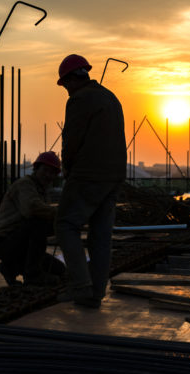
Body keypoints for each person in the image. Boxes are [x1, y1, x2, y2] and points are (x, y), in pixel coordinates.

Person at [54, 54, 126, 308]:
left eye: (65, 85)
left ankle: (81, 287)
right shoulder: (109, 96)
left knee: (65, 224)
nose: (66, 91)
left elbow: (71, 140)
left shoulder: (80, 99)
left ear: (73, 79)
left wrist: (68, 170)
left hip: (88, 174)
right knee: (100, 234)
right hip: (114, 175)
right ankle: (96, 291)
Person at [0, 152, 67, 286]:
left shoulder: (42, 191)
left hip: (20, 244)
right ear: (36, 169)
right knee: (38, 222)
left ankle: (10, 268)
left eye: (52, 173)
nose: (48, 175)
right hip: (4, 243)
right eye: (45, 170)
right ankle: (33, 275)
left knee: (59, 270)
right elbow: (31, 210)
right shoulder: (25, 184)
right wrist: (62, 214)